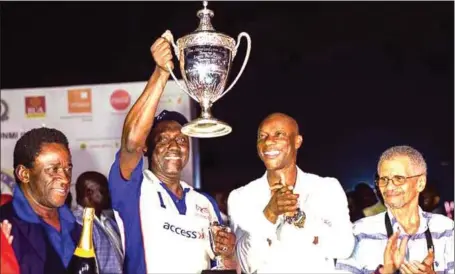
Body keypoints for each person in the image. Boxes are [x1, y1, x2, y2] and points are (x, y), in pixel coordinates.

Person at [108, 33, 236, 274]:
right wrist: (161, 73)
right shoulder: (133, 187)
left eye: (181, 139)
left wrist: (228, 254)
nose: (175, 145)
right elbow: (131, 142)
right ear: (147, 147)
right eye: (164, 139)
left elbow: (222, 266)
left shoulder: (204, 202)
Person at [228, 112, 355, 273]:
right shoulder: (242, 197)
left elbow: (344, 248)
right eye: (262, 136)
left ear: (297, 141)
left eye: (279, 134)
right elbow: (245, 265)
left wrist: (300, 219)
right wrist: (269, 215)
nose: (268, 142)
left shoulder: (326, 188)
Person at [336, 145, 454, 273]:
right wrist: (384, 272)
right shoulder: (359, 233)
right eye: (384, 179)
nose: (389, 186)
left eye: (399, 179)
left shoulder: (446, 229)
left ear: (420, 183)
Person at [0, 127, 81, 273]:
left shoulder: (80, 224)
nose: (65, 179)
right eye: (53, 169)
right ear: (24, 174)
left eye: (68, 169)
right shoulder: (4, 226)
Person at [74, 171, 123, 274]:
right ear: (89, 193)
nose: (110, 195)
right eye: (104, 191)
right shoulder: (79, 224)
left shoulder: (109, 221)